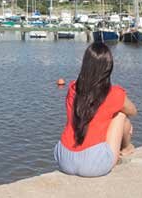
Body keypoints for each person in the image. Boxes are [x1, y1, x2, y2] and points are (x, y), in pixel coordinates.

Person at [54, 42, 137, 177]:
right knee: (121, 114)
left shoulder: (72, 89)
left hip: (64, 158)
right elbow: (133, 111)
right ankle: (127, 148)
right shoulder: (114, 94)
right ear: (109, 68)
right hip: (93, 165)